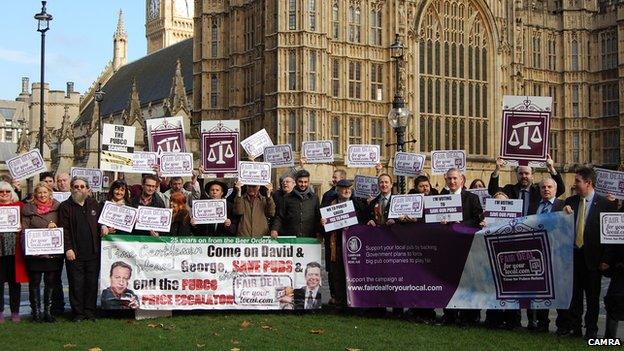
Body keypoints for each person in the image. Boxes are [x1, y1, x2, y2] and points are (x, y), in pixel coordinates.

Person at [556, 166, 618, 339]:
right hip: (574, 258)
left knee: (592, 299)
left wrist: (607, 258)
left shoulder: (605, 204)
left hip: (594, 260)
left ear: (588, 183)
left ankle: (591, 331)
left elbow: (611, 235)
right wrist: (563, 213)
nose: (574, 184)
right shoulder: (570, 201)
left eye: (577, 181)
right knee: (575, 297)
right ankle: (575, 328)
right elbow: (559, 226)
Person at [440, 168, 483, 326]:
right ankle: (449, 315)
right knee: (448, 280)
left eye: (455, 179)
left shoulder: (471, 198)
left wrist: (462, 225)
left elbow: (478, 219)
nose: (452, 182)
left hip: (466, 246)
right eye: (449, 179)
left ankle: (467, 317)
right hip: (447, 247)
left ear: (462, 180)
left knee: (467, 281)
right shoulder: (440, 198)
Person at [59, 176, 101, 322]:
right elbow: (64, 230)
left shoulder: (94, 204)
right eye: (76, 186)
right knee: (76, 284)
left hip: (93, 252)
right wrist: (68, 248)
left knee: (91, 283)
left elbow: (101, 223)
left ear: (87, 189)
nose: (79, 189)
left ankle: (90, 311)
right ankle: (78, 313)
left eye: (82, 186)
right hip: (75, 253)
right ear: (71, 188)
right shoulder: (65, 206)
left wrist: (105, 227)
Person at [320, 179, 368, 307]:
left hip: (353, 245)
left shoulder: (357, 204)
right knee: (337, 274)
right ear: (338, 190)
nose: (347, 191)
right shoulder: (329, 204)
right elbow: (323, 228)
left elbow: (365, 221)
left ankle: (355, 302)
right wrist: (323, 224)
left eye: (349, 188)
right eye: (344, 189)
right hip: (336, 245)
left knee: (353, 274)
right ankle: (340, 303)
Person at [21, 182, 63, 323]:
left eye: (45, 192)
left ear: (50, 193)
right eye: (39, 192)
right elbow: (24, 230)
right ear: (35, 194)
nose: (42, 195)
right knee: (35, 282)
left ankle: (48, 312)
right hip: (35, 252)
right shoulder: (28, 210)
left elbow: (63, 226)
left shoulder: (58, 208)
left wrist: (55, 226)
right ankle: (36, 313)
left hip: (52, 253)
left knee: (50, 282)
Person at [487, 155, 565, 217]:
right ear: (516, 174)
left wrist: (551, 168)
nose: (524, 176)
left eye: (527, 173)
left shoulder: (539, 190)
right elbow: (493, 191)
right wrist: (497, 169)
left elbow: (560, 189)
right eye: (521, 173)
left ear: (532, 175)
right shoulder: (509, 189)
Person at [271, 170, 321, 238]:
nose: (303, 184)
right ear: (296, 181)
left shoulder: (314, 198)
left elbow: (318, 217)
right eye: (300, 182)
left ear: (309, 182)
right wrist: (274, 229)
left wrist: (319, 232)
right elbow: (279, 216)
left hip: (309, 238)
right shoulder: (287, 198)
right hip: (291, 238)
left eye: (305, 182)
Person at [0, 181, 24, 323]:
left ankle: (15, 311)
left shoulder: (19, 206)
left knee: (15, 282)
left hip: (15, 251)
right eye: (1, 192)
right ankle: (0, 311)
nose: (4, 194)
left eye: (7, 191)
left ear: (12, 193)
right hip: (0, 251)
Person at [601, 229, 624, 339]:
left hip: (619, 265)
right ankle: (610, 337)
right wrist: (607, 260)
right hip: (619, 266)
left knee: (613, 301)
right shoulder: (617, 216)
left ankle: (609, 337)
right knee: (613, 300)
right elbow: (612, 239)